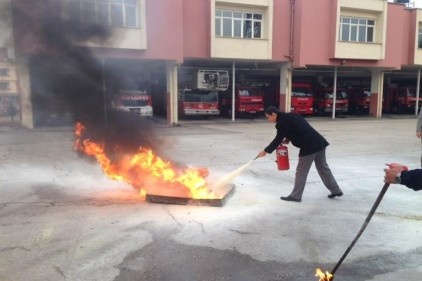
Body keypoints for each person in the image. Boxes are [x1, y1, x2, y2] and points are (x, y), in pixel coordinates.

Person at [257, 106, 343, 202]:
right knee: (323, 168)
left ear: (274, 114)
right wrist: (288, 139)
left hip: (309, 146)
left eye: (268, 117)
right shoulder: (292, 115)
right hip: (319, 142)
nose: (268, 120)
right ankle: (336, 190)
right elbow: (298, 127)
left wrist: (265, 151)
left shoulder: (281, 123)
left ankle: (296, 196)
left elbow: (277, 139)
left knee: (301, 171)